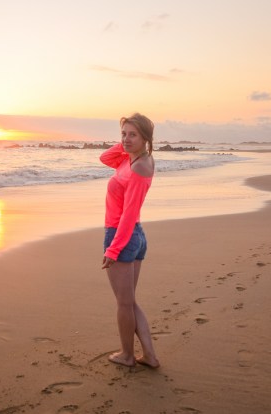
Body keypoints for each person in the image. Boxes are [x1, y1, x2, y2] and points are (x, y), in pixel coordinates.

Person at [100, 113, 160, 369]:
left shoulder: (139, 167)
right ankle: (150, 356)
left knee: (124, 304)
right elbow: (105, 158)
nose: (125, 139)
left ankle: (127, 355)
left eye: (132, 135)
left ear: (145, 138)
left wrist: (113, 250)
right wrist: (127, 144)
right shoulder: (132, 159)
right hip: (133, 235)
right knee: (130, 302)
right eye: (123, 134)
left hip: (122, 235)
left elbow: (129, 213)